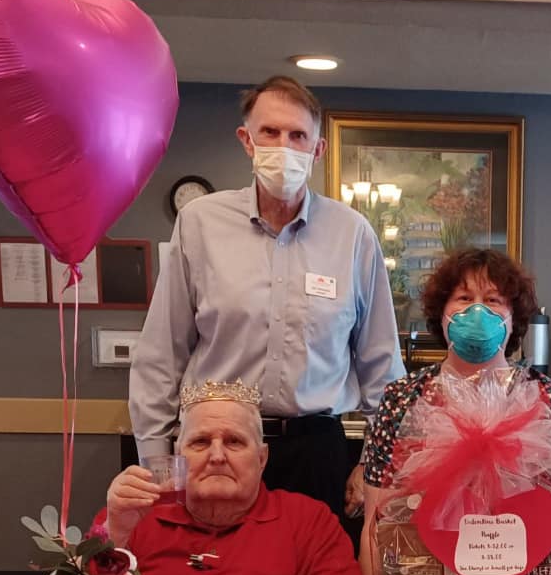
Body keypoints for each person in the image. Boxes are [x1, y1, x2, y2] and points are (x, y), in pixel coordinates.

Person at [129, 75, 404, 530]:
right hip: (219, 447)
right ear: (247, 140)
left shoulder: (352, 235)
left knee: (314, 571)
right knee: (215, 568)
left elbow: (382, 364)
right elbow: (162, 353)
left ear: (318, 149)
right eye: (270, 133)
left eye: (297, 135)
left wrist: (374, 466)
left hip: (315, 449)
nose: (283, 146)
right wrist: (159, 464)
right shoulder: (200, 224)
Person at [359, 248, 551, 575]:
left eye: (493, 300)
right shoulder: (403, 398)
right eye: (464, 298)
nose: (477, 312)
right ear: (442, 313)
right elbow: (375, 523)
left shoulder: (548, 398)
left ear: (513, 317)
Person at [36, 380, 370, 575]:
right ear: (178, 456)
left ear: (262, 459)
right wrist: (112, 536)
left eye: (234, 442)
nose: (217, 455)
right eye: (200, 442)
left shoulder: (305, 517)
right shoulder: (134, 514)